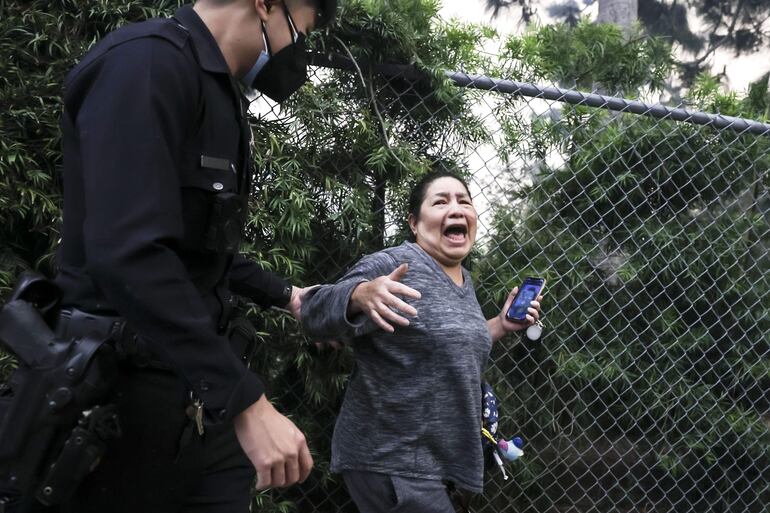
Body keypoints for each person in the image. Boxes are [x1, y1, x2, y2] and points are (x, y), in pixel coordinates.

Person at [52, 0, 336, 511]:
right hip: (118, 399)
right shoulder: (146, 65)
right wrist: (245, 400)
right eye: (300, 30)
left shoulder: (221, 95)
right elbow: (128, 253)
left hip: (195, 396)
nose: (298, 51)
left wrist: (290, 296)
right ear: (266, 5)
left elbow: (202, 251)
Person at [301, 169, 544, 512]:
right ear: (414, 223)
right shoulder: (393, 263)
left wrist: (500, 325)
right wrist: (359, 294)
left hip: (431, 463)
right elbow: (313, 310)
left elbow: (444, 348)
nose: (456, 209)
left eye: (464, 201)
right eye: (441, 201)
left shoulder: (463, 281)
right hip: (393, 459)